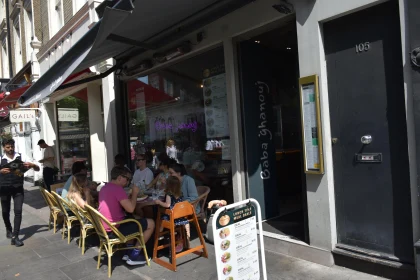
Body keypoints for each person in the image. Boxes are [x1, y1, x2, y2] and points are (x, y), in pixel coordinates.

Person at [98, 166, 155, 265]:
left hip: (105, 228)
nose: (128, 182)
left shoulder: (104, 188)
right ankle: (134, 255)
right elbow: (131, 208)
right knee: (151, 223)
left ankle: (128, 251)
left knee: (134, 218)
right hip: (115, 229)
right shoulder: (118, 189)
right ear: (120, 177)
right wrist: (135, 193)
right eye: (127, 179)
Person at [0, 139, 40, 247]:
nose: (11, 149)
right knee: (5, 211)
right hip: (3, 189)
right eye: (8, 147)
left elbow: (37, 168)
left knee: (18, 211)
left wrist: (32, 165)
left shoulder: (21, 156)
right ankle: (8, 228)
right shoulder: (0, 159)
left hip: (18, 189)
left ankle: (15, 236)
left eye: (12, 146)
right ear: (4, 147)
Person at [155, 176, 190, 250]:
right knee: (185, 222)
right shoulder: (180, 193)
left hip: (171, 217)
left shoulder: (169, 194)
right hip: (180, 217)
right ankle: (187, 236)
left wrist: (159, 202)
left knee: (162, 218)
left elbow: (167, 205)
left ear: (168, 185)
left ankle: (159, 233)